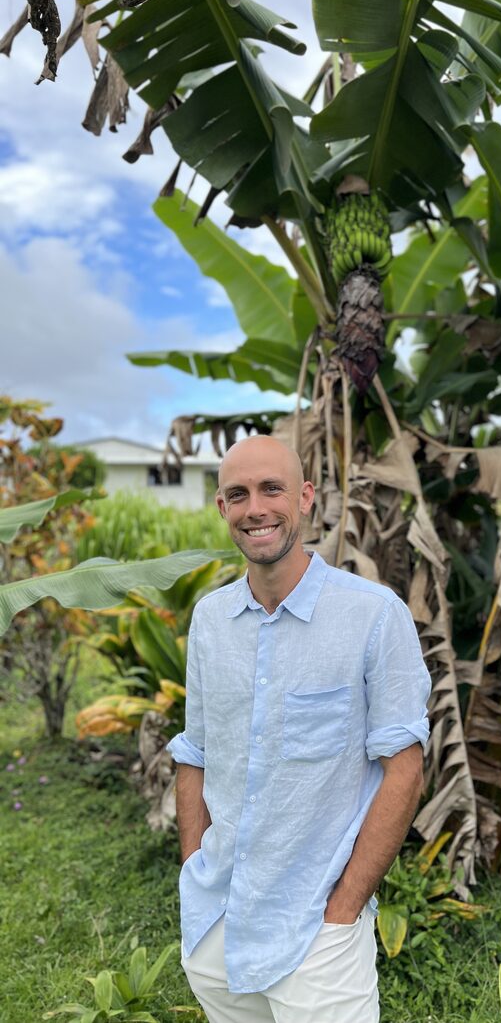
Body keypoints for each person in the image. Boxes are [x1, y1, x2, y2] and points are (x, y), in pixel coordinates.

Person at [166, 434, 431, 1023]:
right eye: (238, 494)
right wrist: (193, 869)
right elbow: (195, 753)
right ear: (221, 507)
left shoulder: (373, 615)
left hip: (316, 931)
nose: (255, 508)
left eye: (272, 489)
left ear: (305, 497)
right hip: (217, 923)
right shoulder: (210, 619)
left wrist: (345, 908)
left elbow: (405, 771)